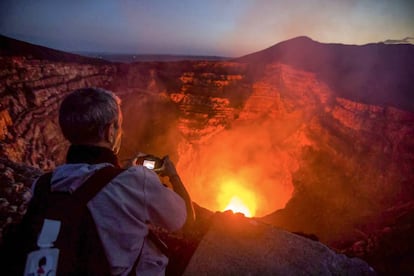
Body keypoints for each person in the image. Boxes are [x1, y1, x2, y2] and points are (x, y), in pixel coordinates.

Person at [34, 87, 195, 275]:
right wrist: (172, 174)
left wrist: (118, 172)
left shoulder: (43, 184)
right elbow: (185, 221)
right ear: (111, 131)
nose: (120, 133)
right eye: (119, 126)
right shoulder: (136, 181)